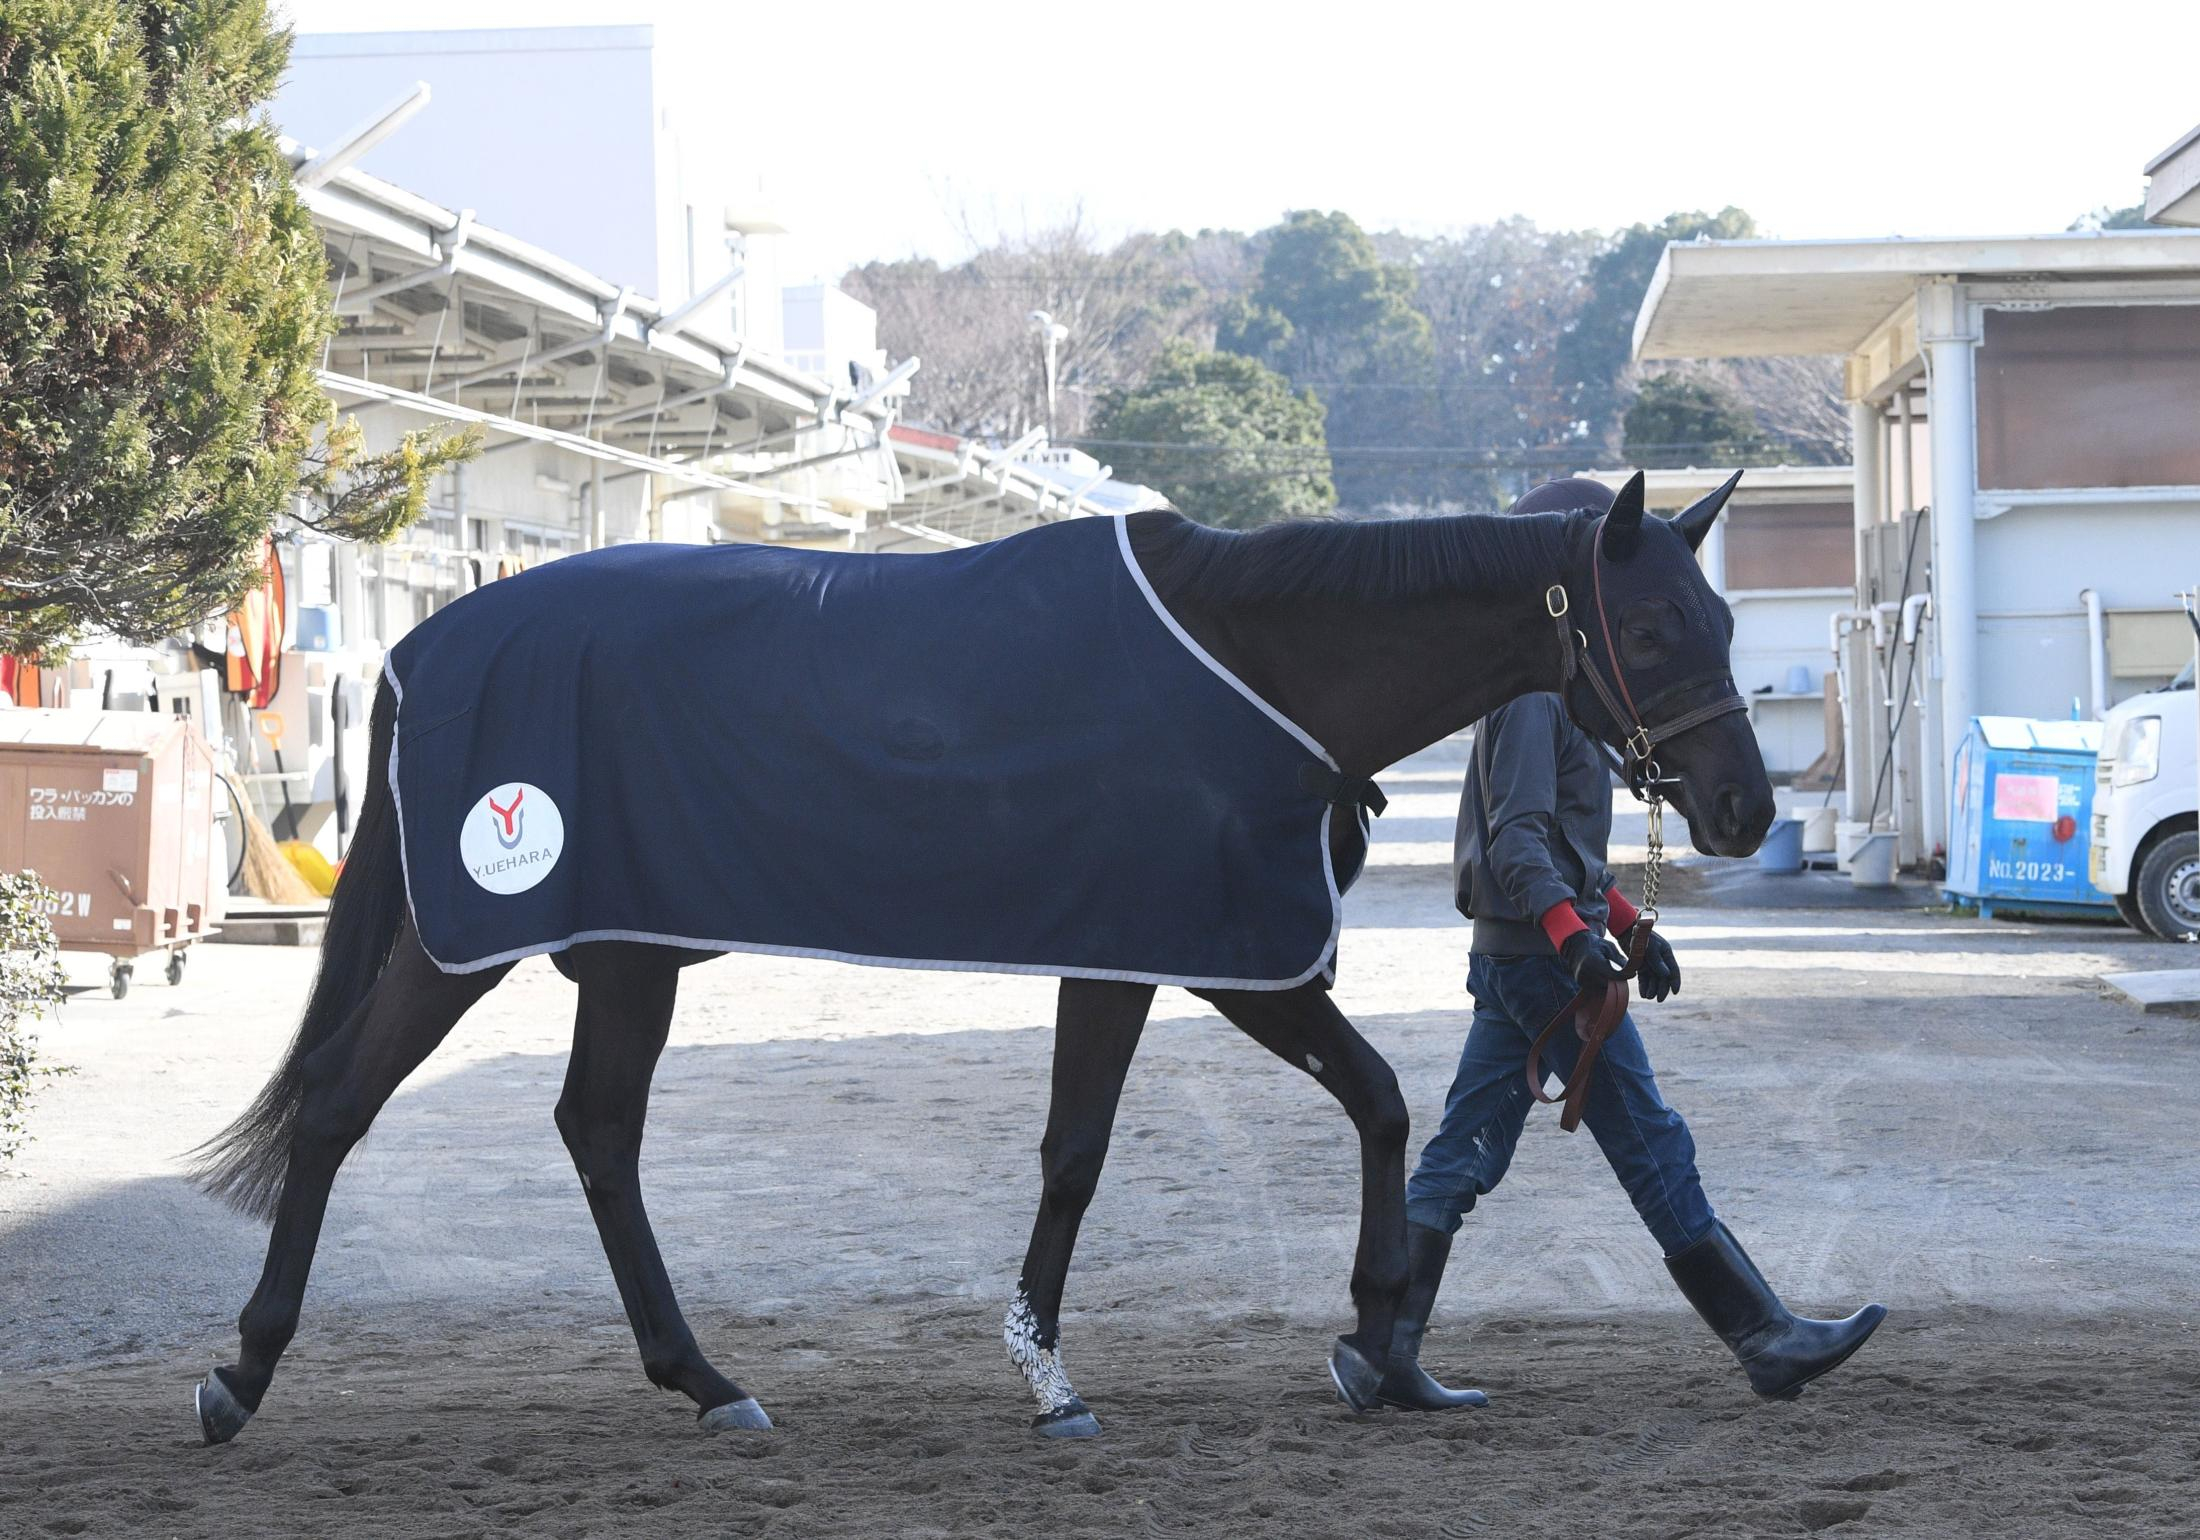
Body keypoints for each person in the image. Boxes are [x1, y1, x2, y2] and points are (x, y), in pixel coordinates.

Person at [1380, 478, 1885, 1412]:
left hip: (1518, 953)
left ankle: (1380, 1352)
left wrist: (1623, 928)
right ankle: (1764, 1336)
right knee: (1651, 1140)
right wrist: (1578, 941)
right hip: (1537, 964)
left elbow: (1561, 855)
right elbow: (1520, 841)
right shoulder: (1534, 699)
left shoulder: (1573, 698)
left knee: (1460, 1157)